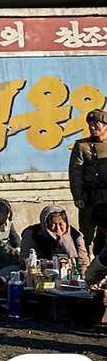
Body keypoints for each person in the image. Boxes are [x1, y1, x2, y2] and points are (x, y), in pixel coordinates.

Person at [68, 108, 107, 256]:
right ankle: (85, 262)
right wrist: (77, 196)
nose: (92, 127)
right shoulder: (82, 146)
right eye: (90, 124)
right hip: (89, 198)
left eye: (96, 124)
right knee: (86, 235)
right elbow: (75, 173)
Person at [19, 204, 90, 275]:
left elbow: (83, 262)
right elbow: (25, 261)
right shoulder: (32, 234)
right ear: (46, 225)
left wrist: (84, 276)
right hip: (41, 275)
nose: (58, 229)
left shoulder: (75, 235)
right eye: (53, 225)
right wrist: (55, 264)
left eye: (61, 224)